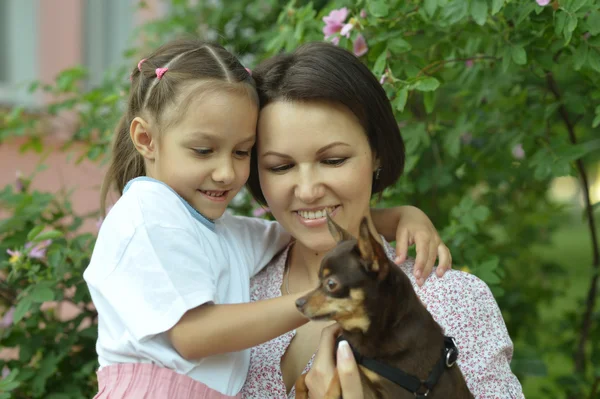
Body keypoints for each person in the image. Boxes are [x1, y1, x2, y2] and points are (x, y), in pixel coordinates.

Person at [83, 39, 451, 398]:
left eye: (241, 152)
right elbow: (192, 335)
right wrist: (325, 297)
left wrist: (401, 216)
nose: (226, 172)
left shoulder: (217, 231)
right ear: (145, 138)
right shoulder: (146, 216)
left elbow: (303, 227)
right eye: (203, 150)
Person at [241, 42, 525, 398]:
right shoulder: (229, 288)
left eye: (333, 160)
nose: (309, 190)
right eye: (281, 166)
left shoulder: (453, 301)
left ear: (376, 154)